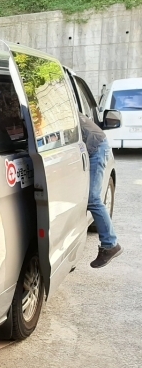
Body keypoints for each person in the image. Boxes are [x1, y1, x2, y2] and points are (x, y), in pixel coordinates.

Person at [79, 113, 123, 268]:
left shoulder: (55, 111)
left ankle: (110, 244)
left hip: (96, 148)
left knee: (93, 199)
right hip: (93, 146)